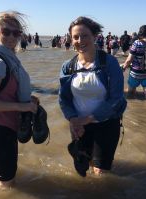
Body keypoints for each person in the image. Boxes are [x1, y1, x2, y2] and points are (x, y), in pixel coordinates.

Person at [0, 11, 40, 189]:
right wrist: (22, 106)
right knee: (8, 185)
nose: (12, 37)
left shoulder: (6, 56)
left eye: (16, 33)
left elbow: (3, 90)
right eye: (6, 32)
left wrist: (26, 99)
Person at [59, 16, 127, 177]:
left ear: (95, 37)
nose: (79, 40)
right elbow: (64, 99)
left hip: (106, 124)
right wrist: (73, 119)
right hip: (79, 126)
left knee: (100, 171)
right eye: (75, 37)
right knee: (85, 167)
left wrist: (88, 118)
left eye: (85, 36)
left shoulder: (109, 63)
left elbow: (116, 99)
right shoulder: (68, 66)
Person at [121, 25, 146, 99]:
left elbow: (129, 60)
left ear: (140, 33)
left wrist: (124, 68)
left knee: (130, 93)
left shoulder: (137, 43)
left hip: (136, 73)